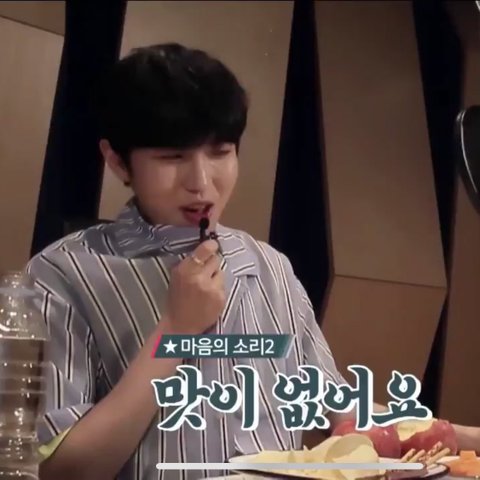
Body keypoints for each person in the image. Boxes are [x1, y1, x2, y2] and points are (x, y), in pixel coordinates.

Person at [26, 43, 479, 480]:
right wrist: (175, 332)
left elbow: (330, 407)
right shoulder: (61, 276)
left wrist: (464, 437)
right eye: (172, 156)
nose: (201, 182)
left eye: (220, 152)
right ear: (118, 162)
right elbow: (59, 469)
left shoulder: (269, 266)